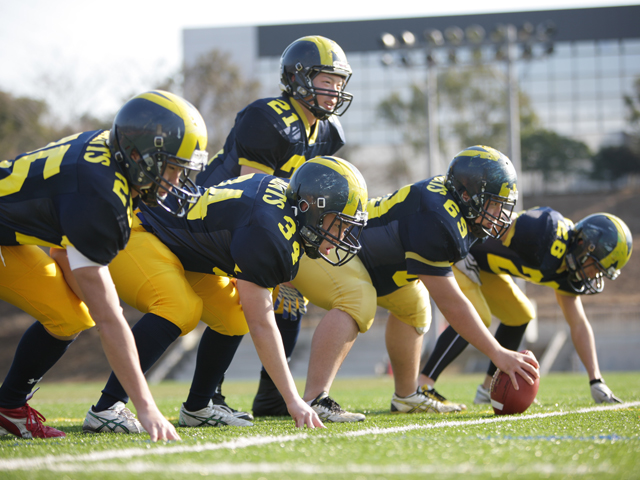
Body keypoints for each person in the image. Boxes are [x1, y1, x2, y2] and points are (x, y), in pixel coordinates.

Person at [56, 156, 367, 432]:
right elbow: (263, 322)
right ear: (309, 207)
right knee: (178, 308)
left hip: (184, 247)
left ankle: (198, 406)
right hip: (143, 229)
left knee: (233, 317)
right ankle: (107, 407)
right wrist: (293, 399)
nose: (341, 235)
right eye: (339, 224)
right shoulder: (270, 232)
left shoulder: (284, 205)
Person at [253, 145, 540, 422]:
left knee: (414, 305)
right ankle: (316, 397)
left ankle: (406, 395)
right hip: (329, 245)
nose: (499, 214)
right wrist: (498, 353)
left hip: (367, 258)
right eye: (493, 203)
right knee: (357, 298)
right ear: (466, 195)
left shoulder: (456, 210)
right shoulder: (439, 218)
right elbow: (452, 303)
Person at [0, 90, 209, 440]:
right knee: (95, 314)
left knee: (70, 315)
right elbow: (110, 321)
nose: (175, 181)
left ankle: (9, 407)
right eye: (172, 168)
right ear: (138, 153)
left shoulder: (108, 153)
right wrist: (145, 405)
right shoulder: (101, 198)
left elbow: (62, 248)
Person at [193, 34, 354, 419]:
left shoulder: (328, 133)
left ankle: (270, 398)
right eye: (325, 80)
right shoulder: (268, 118)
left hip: (266, 222)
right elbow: (250, 191)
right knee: (235, 305)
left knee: (291, 305)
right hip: (219, 220)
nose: (333, 91)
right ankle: (208, 396)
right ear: (297, 79)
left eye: (338, 82)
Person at [418, 208, 632, 408]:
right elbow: (494, 218)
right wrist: (462, 246)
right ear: (584, 243)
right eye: (596, 265)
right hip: (462, 255)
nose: (594, 275)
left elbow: (578, 323)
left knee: (520, 314)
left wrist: (596, 380)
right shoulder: (545, 230)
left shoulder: (569, 271)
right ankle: (423, 385)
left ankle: (487, 389)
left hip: (486, 268)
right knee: (478, 317)